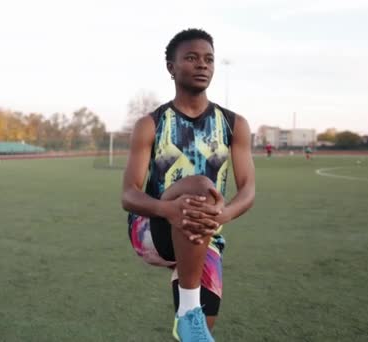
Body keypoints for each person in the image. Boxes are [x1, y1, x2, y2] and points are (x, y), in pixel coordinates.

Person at [121, 28, 256, 341]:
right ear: (171, 67)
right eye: (192, 58)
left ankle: (190, 315)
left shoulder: (234, 124)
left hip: (205, 233)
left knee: (202, 332)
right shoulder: (151, 124)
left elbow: (248, 188)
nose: (202, 65)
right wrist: (168, 209)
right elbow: (128, 195)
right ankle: (188, 309)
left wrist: (224, 215)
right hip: (153, 228)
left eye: (209, 59)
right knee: (200, 186)